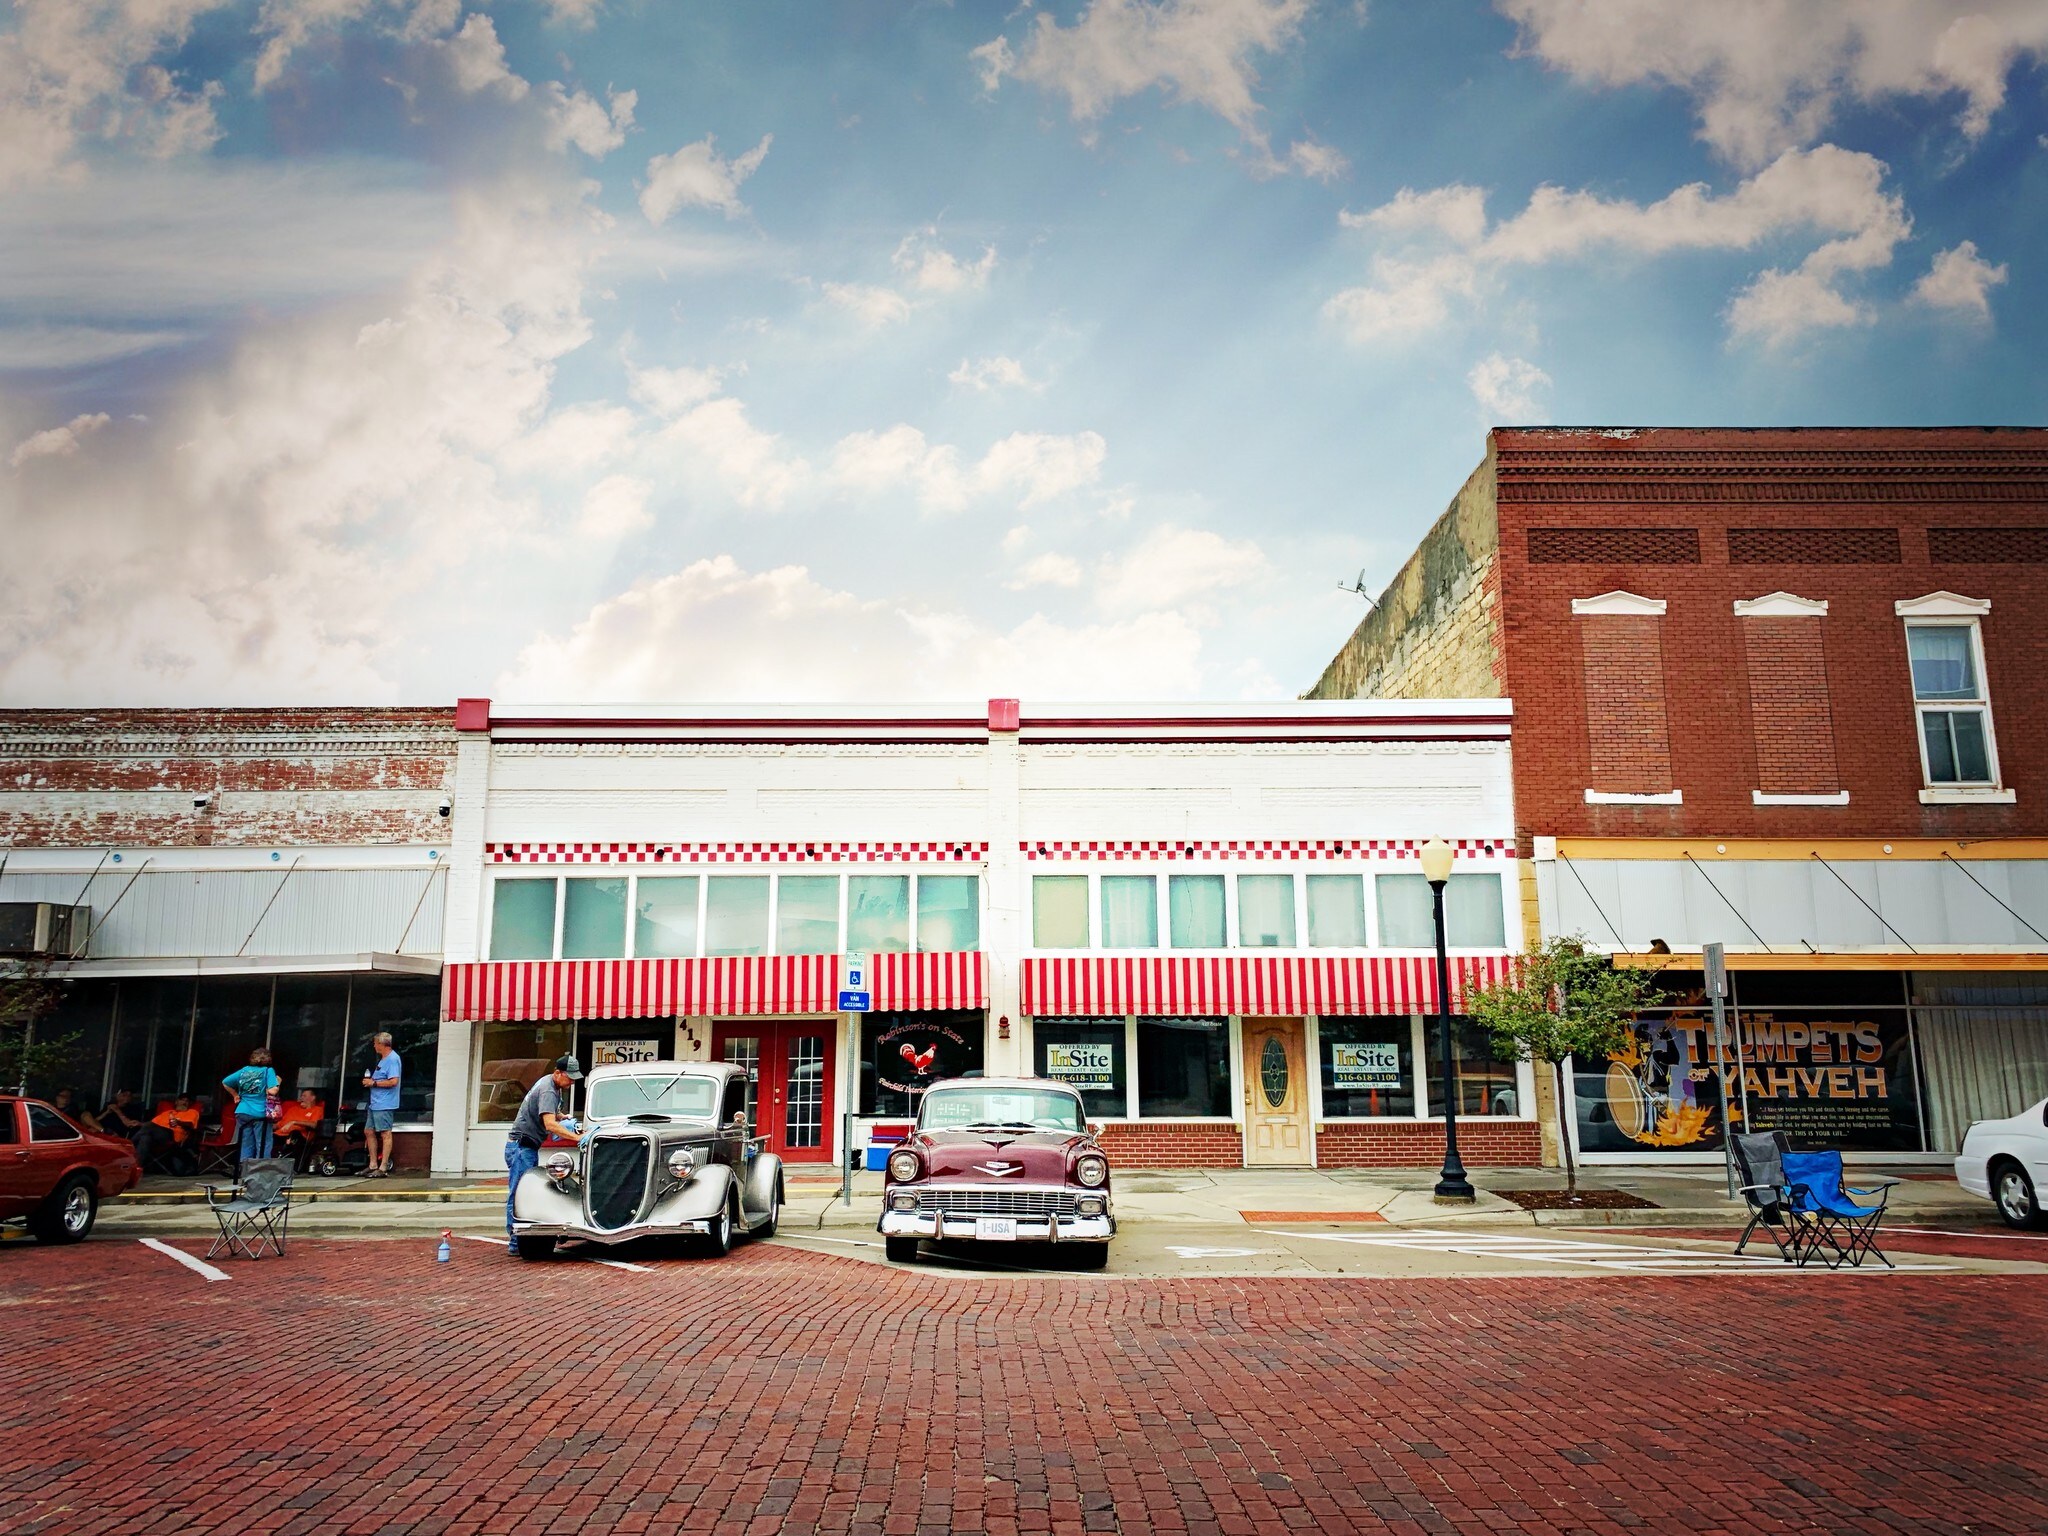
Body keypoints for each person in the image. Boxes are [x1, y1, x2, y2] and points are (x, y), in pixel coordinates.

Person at [504, 1056, 585, 1256]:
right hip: (522, 1147)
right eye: (569, 1077)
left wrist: (561, 1116)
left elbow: (547, 1113)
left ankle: (518, 1240)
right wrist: (577, 1138)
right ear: (558, 1073)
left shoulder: (550, 1085)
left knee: (523, 1192)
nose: (572, 1082)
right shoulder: (549, 1089)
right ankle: (516, 1242)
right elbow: (549, 1125)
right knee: (519, 1194)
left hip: (525, 1147)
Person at [223, 1047, 281, 1169]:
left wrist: (235, 1095)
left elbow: (225, 1082)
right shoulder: (268, 1071)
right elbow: (273, 1091)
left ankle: (245, 1171)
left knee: (246, 1143)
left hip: (242, 1111)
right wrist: (278, 1082)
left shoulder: (244, 1071)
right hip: (259, 1113)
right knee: (263, 1143)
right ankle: (262, 1170)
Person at [361, 1032, 402, 1176]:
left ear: (382, 1044)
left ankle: (383, 1167)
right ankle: (373, 1164)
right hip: (375, 1103)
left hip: (385, 1103)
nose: (374, 1046)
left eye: (375, 1043)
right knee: (369, 1131)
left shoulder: (392, 1059)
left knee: (385, 1133)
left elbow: (393, 1081)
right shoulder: (383, 1060)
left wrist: (374, 1083)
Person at [137, 1095, 201, 1174]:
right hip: (157, 1135)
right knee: (145, 1138)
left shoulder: (191, 1112)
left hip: (172, 1136)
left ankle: (129, 1144)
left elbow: (190, 1125)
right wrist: (138, 1123)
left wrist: (178, 1122)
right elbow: (152, 1123)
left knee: (148, 1129)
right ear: (176, 1102)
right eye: (182, 1100)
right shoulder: (167, 1113)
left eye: (187, 1101)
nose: (184, 1102)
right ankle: (136, 1168)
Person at [272, 1089, 326, 1173]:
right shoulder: (293, 1109)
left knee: (295, 1135)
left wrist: (294, 1122)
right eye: (301, 1096)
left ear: (312, 1098)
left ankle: (289, 1166)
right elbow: (279, 1125)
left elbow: (314, 1125)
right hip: (280, 1135)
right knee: (267, 1138)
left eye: (304, 1096)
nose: (301, 1098)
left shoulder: (317, 1110)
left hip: (299, 1136)